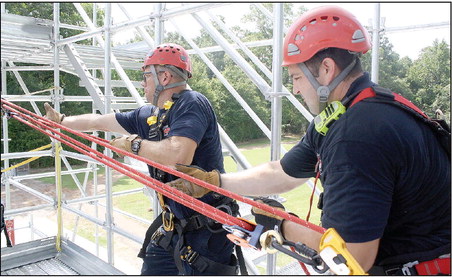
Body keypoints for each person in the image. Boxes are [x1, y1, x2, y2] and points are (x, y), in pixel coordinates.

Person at [167, 6, 451, 275]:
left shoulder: (358, 134)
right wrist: (214, 182)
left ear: (326, 69)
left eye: (296, 76)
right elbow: (282, 172)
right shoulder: (352, 110)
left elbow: (352, 257)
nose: (295, 88)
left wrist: (279, 226)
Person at [44, 43, 239, 275]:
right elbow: (100, 121)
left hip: (207, 233)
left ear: (164, 77)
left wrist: (133, 145)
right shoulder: (150, 115)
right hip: (174, 226)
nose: (142, 83)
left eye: (146, 76)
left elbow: (178, 154)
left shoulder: (192, 103)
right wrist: (62, 122)